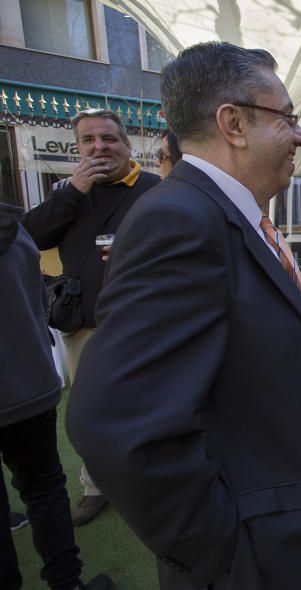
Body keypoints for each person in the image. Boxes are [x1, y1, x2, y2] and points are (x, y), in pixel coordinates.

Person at [65, 42, 301, 590]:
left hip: (279, 539)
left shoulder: (229, 215)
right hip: (248, 570)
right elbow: (113, 425)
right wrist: (225, 552)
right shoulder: (180, 220)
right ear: (233, 124)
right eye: (286, 117)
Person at [22, 108, 159, 527]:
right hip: (82, 324)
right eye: (89, 140)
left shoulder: (154, 189)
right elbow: (30, 237)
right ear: (78, 147)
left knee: (149, 407)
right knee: (89, 412)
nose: (99, 147)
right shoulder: (69, 191)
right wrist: (74, 192)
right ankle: (96, 487)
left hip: (143, 324)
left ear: (126, 144)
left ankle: (150, 483)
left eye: (109, 138)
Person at [1, 202, 113, 590]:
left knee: (42, 492)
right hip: (25, 384)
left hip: (26, 385)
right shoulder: (15, 229)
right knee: (45, 490)